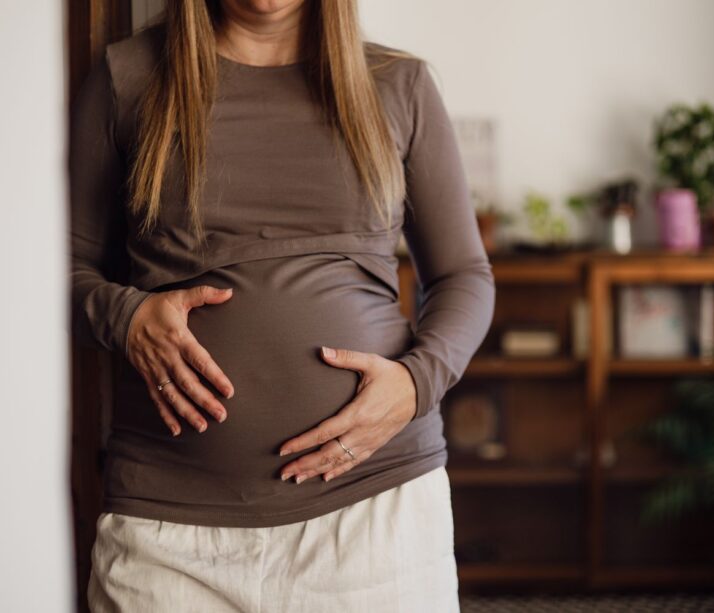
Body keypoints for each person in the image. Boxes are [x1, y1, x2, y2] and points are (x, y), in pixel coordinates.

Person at [69, 0, 495, 610]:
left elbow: (464, 275)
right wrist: (128, 317)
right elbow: (51, 270)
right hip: (170, 533)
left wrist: (416, 383)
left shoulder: (400, 85)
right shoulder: (127, 78)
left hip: (376, 515)